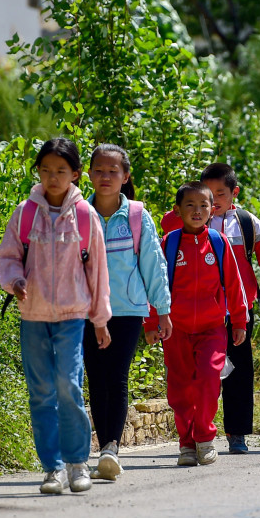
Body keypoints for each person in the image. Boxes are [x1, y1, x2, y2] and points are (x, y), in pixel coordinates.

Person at [0, 138, 112, 494]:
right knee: (41, 391)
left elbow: (98, 271)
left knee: (68, 386)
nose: (52, 177)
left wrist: (100, 319)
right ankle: (53, 469)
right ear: (38, 172)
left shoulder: (85, 215)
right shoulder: (25, 212)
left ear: (75, 174)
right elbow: (8, 256)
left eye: (61, 170)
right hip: (32, 314)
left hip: (72, 315)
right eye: (46, 170)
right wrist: (14, 281)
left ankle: (78, 463)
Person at [160, 162, 260, 454]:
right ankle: (195, 434)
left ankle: (237, 433)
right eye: (208, 193)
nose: (214, 201)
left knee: (239, 372)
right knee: (199, 375)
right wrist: (188, 205)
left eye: (220, 193)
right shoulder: (188, 218)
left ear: (234, 193)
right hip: (194, 314)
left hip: (239, 309)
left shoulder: (247, 222)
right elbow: (168, 229)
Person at [84, 144, 172, 481]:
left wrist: (161, 310)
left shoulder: (137, 215)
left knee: (116, 377)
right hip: (87, 311)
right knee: (96, 378)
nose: (106, 177)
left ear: (125, 176)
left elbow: (153, 263)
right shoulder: (79, 213)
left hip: (127, 311)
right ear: (89, 175)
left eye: (113, 171)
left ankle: (110, 449)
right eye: (100, 171)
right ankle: (104, 446)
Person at [146, 181, 249, 467]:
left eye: (203, 205)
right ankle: (186, 444)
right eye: (189, 205)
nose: (197, 210)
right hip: (174, 330)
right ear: (177, 210)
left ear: (212, 209)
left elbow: (233, 283)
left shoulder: (218, 242)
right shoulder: (168, 243)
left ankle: (204, 438)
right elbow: (156, 285)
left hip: (212, 328)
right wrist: (152, 321)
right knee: (180, 390)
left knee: (207, 380)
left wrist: (239, 320)